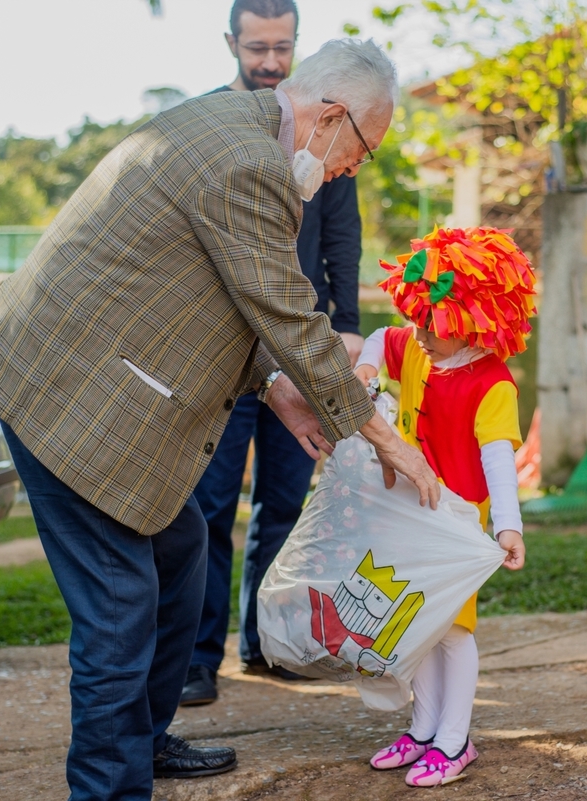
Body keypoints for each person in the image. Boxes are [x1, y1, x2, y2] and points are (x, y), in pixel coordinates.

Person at [0, 39, 442, 801]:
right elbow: (288, 313)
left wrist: (277, 388)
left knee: (181, 550)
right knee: (119, 608)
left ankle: (144, 739)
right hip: (69, 396)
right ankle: (111, 787)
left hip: (84, 372)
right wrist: (385, 437)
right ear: (330, 118)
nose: (355, 167)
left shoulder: (234, 128)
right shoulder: (249, 164)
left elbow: (218, 295)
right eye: (365, 148)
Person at [180, 0, 367, 707]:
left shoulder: (324, 126)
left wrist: (347, 326)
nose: (269, 60)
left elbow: (342, 237)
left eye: (281, 47)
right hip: (226, 353)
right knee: (209, 507)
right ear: (230, 42)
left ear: (295, 43)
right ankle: (199, 659)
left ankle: (266, 642)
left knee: (284, 505)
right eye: (256, 47)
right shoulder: (215, 122)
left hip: (301, 348)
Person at [352, 226, 534, 787]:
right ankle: (423, 729)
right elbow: (381, 337)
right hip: (407, 512)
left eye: (432, 324)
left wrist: (507, 527)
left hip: (458, 525)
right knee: (417, 622)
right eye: (417, 320)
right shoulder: (418, 345)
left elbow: (499, 461)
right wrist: (366, 367)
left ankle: (454, 740)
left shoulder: (493, 384)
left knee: (453, 629)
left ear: (472, 321)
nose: (420, 333)